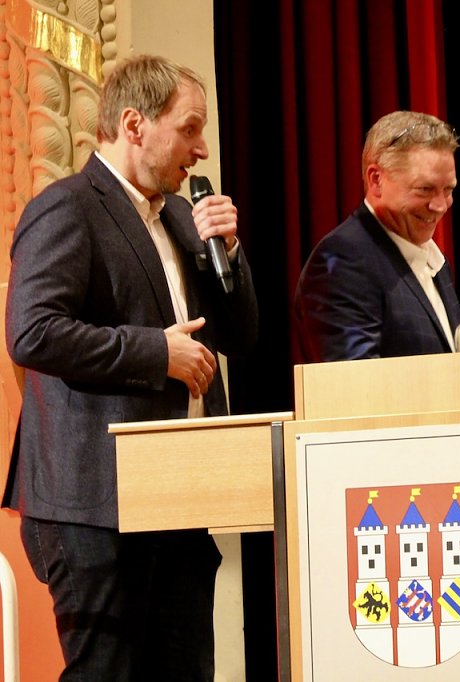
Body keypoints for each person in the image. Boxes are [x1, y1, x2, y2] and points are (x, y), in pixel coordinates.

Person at [2, 54, 259, 680]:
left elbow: (241, 336)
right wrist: (156, 352)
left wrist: (229, 253)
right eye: (190, 129)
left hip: (176, 493)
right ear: (135, 124)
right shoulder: (67, 207)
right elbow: (32, 332)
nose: (202, 149)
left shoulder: (181, 218)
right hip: (93, 503)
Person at [293, 110, 460, 361]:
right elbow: (356, 380)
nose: (440, 205)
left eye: (448, 190)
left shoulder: (432, 257)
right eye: (424, 189)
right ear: (376, 180)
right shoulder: (343, 263)